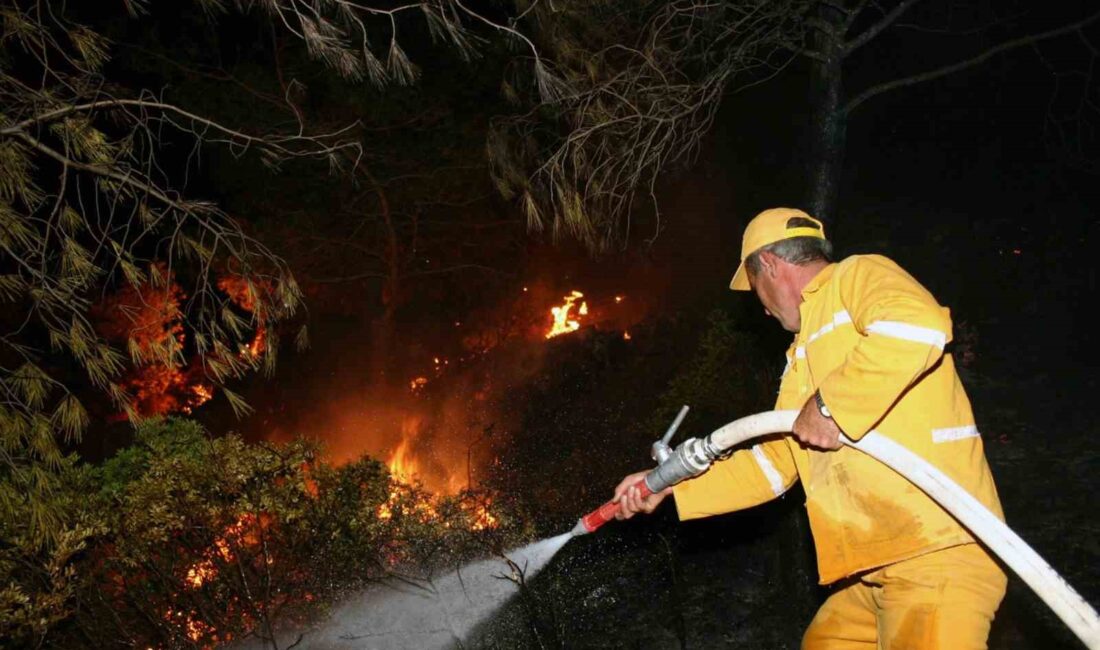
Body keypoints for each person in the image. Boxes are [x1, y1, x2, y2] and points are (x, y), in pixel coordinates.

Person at [614, 207, 1007, 649]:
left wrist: (829, 405)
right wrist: (671, 488)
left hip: (934, 550)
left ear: (769, 264)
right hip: (874, 569)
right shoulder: (802, 354)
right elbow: (775, 464)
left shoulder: (856, 277)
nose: (761, 309)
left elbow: (919, 325)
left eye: (755, 289)